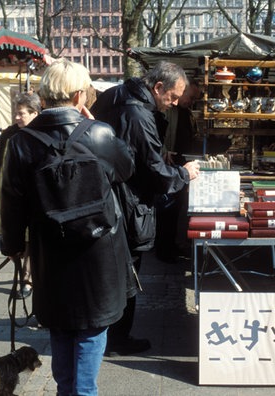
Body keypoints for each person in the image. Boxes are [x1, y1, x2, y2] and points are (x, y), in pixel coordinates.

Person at [0, 59, 134, 395]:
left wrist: (13, 246)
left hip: (49, 248)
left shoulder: (20, 141)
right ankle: (84, 392)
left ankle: (66, 390)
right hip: (98, 250)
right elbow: (128, 168)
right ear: (78, 96)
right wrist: (97, 126)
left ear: (43, 97)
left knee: (59, 324)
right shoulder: (99, 133)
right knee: (92, 328)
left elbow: (11, 200)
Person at [91, 60, 201, 356]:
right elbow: (151, 169)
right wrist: (183, 174)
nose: (174, 103)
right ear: (158, 87)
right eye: (173, 97)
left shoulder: (116, 94)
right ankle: (118, 339)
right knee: (128, 271)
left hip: (105, 194)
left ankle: (110, 335)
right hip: (125, 199)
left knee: (113, 269)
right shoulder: (139, 114)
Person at [0, 92, 41, 298]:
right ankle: (23, 275)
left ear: (35, 113)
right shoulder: (9, 134)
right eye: (16, 113)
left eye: (22, 114)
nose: (17, 118)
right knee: (15, 240)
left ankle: (27, 279)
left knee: (31, 240)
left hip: (34, 197)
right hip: (11, 196)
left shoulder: (42, 134)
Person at [155, 79, 202, 262]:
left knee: (175, 209)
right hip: (168, 164)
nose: (191, 101)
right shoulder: (168, 109)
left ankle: (171, 246)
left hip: (177, 163)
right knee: (167, 209)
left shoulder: (184, 112)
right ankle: (165, 249)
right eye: (190, 97)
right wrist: (164, 150)